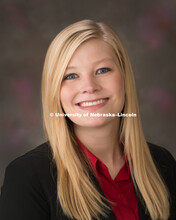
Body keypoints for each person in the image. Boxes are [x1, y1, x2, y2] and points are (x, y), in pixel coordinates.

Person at [0, 19, 175, 220]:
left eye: (102, 70)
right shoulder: (27, 177)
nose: (89, 87)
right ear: (55, 91)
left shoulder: (163, 164)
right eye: (71, 76)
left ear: (125, 78)